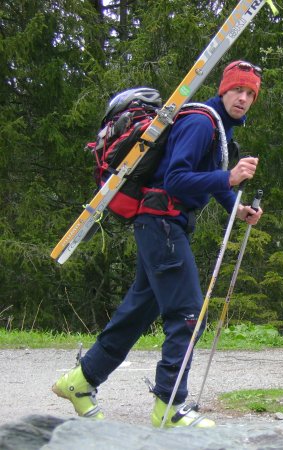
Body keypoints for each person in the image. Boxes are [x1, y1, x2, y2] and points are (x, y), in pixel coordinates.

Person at [52, 60, 264, 428]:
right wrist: (228, 177)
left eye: (250, 94)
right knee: (187, 313)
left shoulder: (221, 130)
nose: (243, 98)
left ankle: (80, 381)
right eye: (237, 90)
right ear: (223, 89)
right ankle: (169, 406)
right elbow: (178, 179)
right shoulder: (201, 122)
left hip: (160, 224)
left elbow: (207, 181)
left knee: (138, 313)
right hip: (162, 222)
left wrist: (237, 208)